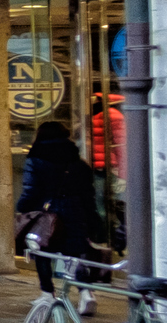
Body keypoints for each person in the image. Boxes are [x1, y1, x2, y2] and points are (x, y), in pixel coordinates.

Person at [18, 121, 106, 311]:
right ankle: (85, 293)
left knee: (43, 253)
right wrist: (92, 219)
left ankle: (47, 294)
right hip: (75, 210)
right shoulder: (78, 162)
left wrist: (23, 207)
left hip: (47, 213)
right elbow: (88, 194)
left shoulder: (35, 160)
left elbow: (30, 190)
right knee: (73, 255)